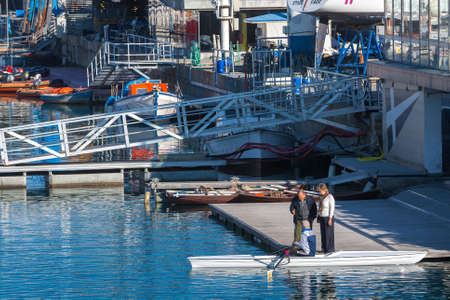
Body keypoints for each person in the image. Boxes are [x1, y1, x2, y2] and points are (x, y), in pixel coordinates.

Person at [317, 183, 335, 253]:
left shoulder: (330, 197)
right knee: (323, 234)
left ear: (324, 189)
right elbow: (320, 207)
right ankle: (324, 248)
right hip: (322, 217)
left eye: (320, 191)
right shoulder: (321, 197)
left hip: (328, 217)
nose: (319, 192)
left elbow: (332, 208)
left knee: (328, 234)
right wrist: (318, 216)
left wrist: (330, 218)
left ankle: (330, 249)